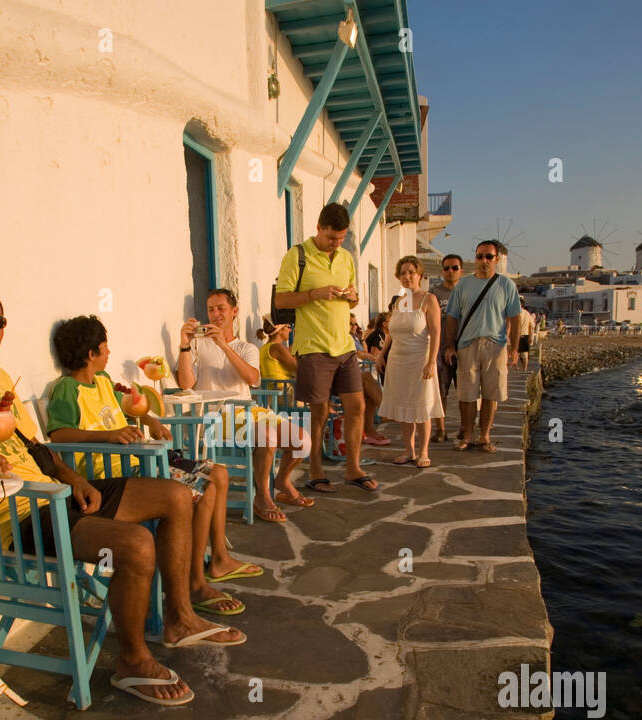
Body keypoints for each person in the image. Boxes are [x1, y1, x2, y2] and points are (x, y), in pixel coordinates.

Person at [0, 283, 244, 707]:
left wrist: (72, 476)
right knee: (136, 544)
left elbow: (37, 446)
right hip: (13, 521)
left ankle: (179, 618)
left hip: (57, 495)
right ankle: (131, 659)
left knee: (178, 496)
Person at [46, 314, 260, 611]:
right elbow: (59, 433)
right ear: (90, 354)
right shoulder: (67, 389)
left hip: (135, 462)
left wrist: (148, 419)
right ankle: (194, 582)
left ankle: (204, 570)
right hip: (108, 474)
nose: (109, 353)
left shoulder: (104, 381)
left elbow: (128, 403)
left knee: (214, 477)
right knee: (202, 489)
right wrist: (108, 436)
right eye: (105, 348)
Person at [177, 289, 314, 521]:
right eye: (211, 309)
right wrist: (184, 345)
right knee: (267, 436)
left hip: (249, 411)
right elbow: (186, 383)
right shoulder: (198, 345)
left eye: (221, 308)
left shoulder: (247, 348)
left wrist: (224, 345)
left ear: (234, 311)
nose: (215, 314)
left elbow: (252, 378)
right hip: (216, 416)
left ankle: (281, 480)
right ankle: (262, 496)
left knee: (302, 441)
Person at [273, 202, 378, 494]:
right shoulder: (298, 256)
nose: (336, 243)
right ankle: (316, 470)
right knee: (319, 413)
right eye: (332, 237)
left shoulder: (345, 258)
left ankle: (353, 468)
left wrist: (353, 297)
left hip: (344, 346)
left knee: (356, 407)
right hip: (313, 346)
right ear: (319, 228)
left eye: (341, 238)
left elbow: (353, 300)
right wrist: (314, 294)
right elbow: (281, 300)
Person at [442, 240, 523, 453]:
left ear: (496, 259)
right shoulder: (463, 285)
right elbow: (452, 317)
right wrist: (450, 345)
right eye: (479, 256)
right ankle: (467, 435)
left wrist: (514, 349)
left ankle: (485, 436)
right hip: (467, 345)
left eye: (488, 256)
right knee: (466, 394)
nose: (483, 261)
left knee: (491, 393)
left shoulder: (506, 286)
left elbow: (515, 319)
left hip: (495, 345)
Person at [379, 257, 443, 468]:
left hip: (420, 360)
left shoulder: (429, 300)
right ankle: (409, 451)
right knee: (404, 410)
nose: (407, 277)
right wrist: (382, 354)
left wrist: (431, 362)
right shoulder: (400, 300)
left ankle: (423, 452)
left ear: (419, 274)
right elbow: (391, 332)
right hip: (398, 361)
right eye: (403, 273)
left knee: (421, 408)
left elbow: (435, 333)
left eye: (411, 272)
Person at [427, 253, 463, 441]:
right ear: (442, 271)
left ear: (461, 271)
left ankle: (466, 429)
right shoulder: (434, 293)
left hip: (463, 349)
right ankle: (440, 430)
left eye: (454, 268)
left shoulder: (466, 291)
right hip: (440, 350)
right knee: (440, 392)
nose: (450, 272)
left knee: (465, 391)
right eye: (447, 268)